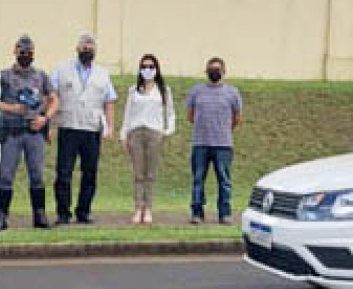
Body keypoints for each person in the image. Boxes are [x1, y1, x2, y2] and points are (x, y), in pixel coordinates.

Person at [0, 35, 59, 232]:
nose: (25, 55)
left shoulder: (41, 76)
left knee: (37, 175)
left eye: (29, 52)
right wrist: (11, 108)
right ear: (15, 52)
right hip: (12, 133)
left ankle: (40, 216)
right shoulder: (3, 76)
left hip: (35, 132)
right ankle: (1, 217)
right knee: (6, 175)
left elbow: (54, 99)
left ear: (34, 53)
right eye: (22, 52)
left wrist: (46, 118)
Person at [52, 34, 118, 225]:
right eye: (84, 47)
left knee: (90, 172)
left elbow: (109, 101)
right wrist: (49, 124)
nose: (86, 50)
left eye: (90, 48)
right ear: (77, 48)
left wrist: (110, 126)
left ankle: (83, 211)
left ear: (95, 51)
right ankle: (63, 213)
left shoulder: (103, 74)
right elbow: (51, 95)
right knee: (64, 173)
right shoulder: (61, 70)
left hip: (91, 128)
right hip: (69, 126)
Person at [119, 54, 176, 225]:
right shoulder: (133, 90)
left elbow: (170, 113)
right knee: (138, 173)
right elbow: (127, 114)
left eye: (151, 67)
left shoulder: (164, 91)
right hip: (136, 132)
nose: (148, 70)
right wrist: (124, 134)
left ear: (156, 69)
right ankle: (138, 208)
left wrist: (167, 130)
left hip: (154, 132)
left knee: (150, 173)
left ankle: (148, 208)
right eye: (144, 66)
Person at [186, 56, 243, 225]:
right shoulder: (196, 91)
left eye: (217, 69)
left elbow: (237, 118)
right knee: (198, 180)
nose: (214, 72)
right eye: (212, 69)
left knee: (224, 181)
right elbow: (190, 116)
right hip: (200, 143)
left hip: (223, 145)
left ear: (224, 72)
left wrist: (224, 129)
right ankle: (197, 213)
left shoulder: (232, 92)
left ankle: (224, 214)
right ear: (206, 71)